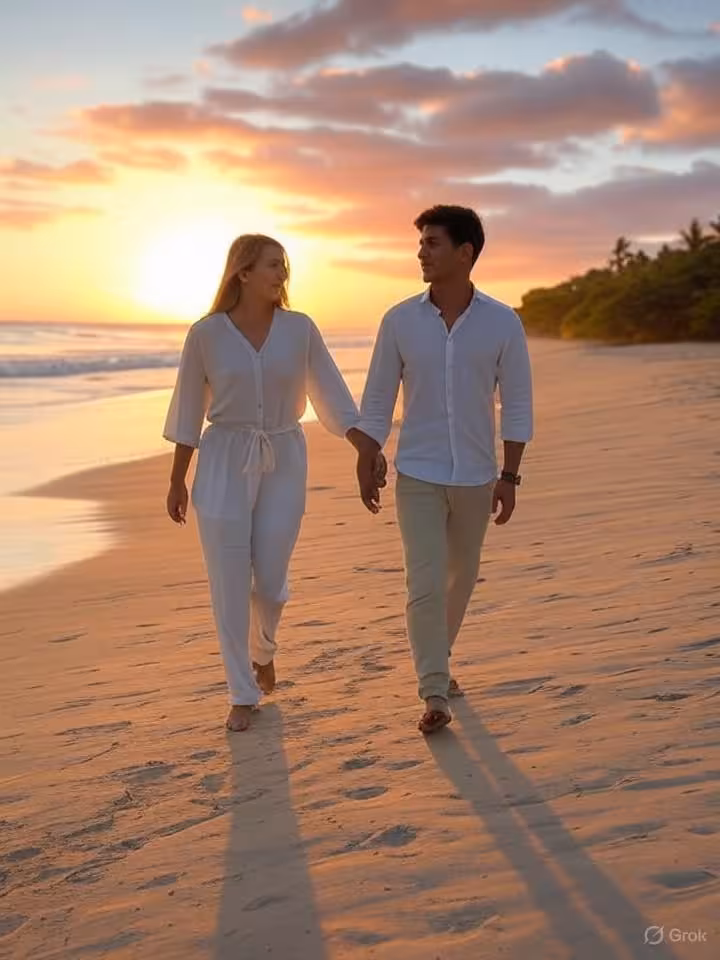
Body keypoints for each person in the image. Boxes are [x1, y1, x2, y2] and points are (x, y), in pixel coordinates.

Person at [163, 234, 383, 732]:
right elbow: (186, 412)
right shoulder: (206, 335)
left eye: (284, 265)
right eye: (271, 265)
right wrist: (178, 480)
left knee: (271, 580)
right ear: (242, 273)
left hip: (283, 455)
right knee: (228, 581)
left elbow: (331, 394)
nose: (282, 273)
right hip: (222, 460)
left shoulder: (299, 329)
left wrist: (364, 446)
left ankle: (263, 648)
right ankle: (241, 693)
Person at [355, 205, 533, 735]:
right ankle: (434, 689)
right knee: (425, 581)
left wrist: (510, 475)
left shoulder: (503, 322)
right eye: (421, 243)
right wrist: (367, 456)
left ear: (465, 252)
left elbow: (518, 404)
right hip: (419, 474)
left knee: (460, 579)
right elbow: (378, 398)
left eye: (432, 243)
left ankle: (439, 655)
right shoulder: (399, 320)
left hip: (478, 476)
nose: (420, 252)